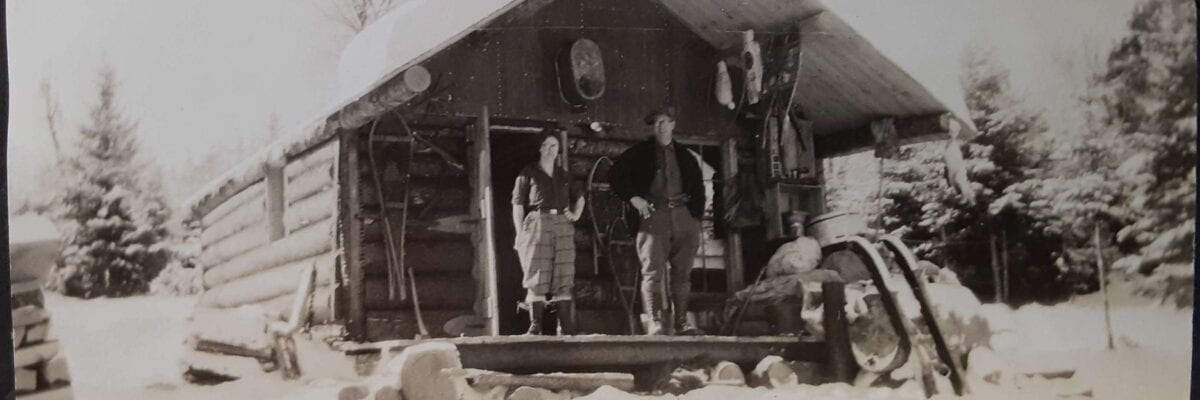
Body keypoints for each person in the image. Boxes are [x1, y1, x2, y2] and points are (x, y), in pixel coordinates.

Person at [611, 106, 705, 335]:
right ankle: (654, 321)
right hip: (654, 216)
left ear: (673, 124)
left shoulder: (686, 156)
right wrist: (635, 200)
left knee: (683, 272)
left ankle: (682, 322)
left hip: (684, 217)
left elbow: (699, 187)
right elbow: (615, 175)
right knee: (652, 271)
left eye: (665, 122)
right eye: (656, 123)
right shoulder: (640, 153)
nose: (661, 126)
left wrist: (695, 218)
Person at [512, 133, 585, 335]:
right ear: (540, 148)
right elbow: (517, 204)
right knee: (537, 272)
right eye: (546, 145)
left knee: (563, 272)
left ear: (558, 149)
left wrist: (576, 214)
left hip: (562, 223)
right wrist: (519, 234)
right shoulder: (528, 173)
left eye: (554, 145)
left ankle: (565, 326)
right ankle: (536, 325)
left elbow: (579, 197)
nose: (550, 149)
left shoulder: (565, 175)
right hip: (538, 222)